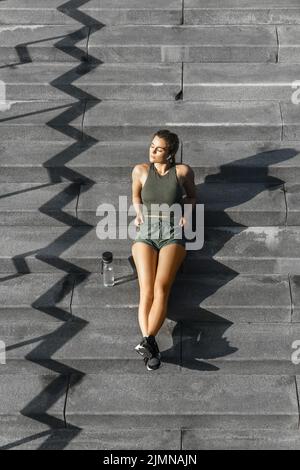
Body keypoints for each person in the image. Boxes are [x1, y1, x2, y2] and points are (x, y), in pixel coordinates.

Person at [131, 129, 197, 371]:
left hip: (172, 234)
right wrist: (138, 215)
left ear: (170, 153)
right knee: (146, 289)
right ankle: (149, 343)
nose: (152, 151)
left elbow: (191, 196)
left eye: (159, 149)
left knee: (161, 287)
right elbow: (136, 197)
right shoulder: (140, 170)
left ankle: (148, 342)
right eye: (151, 146)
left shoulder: (182, 172)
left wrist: (186, 216)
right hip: (145, 234)